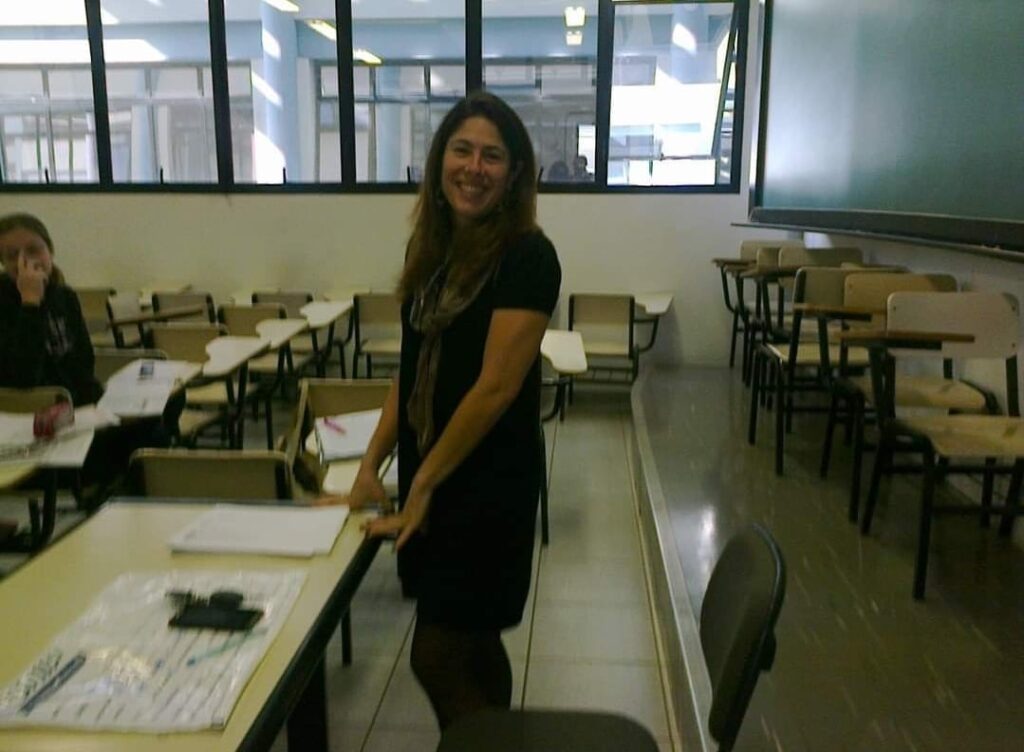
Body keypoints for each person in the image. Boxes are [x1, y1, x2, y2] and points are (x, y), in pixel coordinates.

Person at [320, 92, 561, 729]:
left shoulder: (529, 257)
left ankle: (480, 748)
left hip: (487, 484)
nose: (473, 167)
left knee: (437, 651)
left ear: (513, 174)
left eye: (492, 156)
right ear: (439, 160)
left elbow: (496, 388)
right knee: (475, 644)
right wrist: (370, 467)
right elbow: (408, 372)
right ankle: (497, 741)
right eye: (461, 150)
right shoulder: (428, 254)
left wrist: (421, 485)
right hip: (432, 471)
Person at [0, 212, 177, 504]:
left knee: (165, 404)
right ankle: (115, 491)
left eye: (33, 250)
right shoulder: (5, 303)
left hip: (81, 413)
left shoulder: (64, 297)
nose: (26, 261)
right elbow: (23, 377)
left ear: (50, 251)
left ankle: (120, 486)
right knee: (150, 440)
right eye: (12, 255)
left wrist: (106, 405)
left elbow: (83, 363)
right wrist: (29, 304)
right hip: (38, 431)